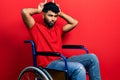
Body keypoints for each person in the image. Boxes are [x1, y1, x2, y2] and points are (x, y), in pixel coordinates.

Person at [21, 2, 101, 80]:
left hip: (61, 61)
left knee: (92, 58)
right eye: (50, 15)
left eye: (55, 16)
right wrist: (38, 10)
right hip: (48, 65)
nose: (53, 19)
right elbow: (24, 12)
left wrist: (60, 13)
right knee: (79, 68)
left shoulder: (58, 29)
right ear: (43, 15)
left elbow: (74, 22)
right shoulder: (36, 28)